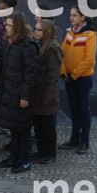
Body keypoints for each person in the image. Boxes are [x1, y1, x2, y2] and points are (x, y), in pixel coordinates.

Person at [0, 13, 38, 173]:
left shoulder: (28, 46)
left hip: (20, 94)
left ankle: (24, 160)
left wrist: (25, 96)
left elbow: (30, 74)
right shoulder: (8, 44)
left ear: (18, 27)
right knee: (13, 127)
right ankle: (13, 157)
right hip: (9, 92)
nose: (6, 27)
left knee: (23, 128)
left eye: (10, 25)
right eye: (6, 24)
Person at [59, 5, 97, 154]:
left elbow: (89, 60)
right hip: (69, 78)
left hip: (82, 79)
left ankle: (84, 141)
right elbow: (61, 53)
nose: (71, 18)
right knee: (74, 109)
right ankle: (74, 139)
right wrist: (63, 71)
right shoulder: (70, 33)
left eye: (75, 15)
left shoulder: (90, 35)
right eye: (71, 15)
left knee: (83, 109)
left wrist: (73, 74)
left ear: (83, 17)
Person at [31, 18, 62, 164]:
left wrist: (47, 97)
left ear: (47, 31)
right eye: (35, 29)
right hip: (37, 93)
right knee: (38, 125)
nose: (36, 32)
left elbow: (52, 76)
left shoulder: (52, 50)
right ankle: (42, 150)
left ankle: (50, 153)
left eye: (39, 30)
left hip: (47, 95)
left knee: (48, 126)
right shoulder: (38, 46)